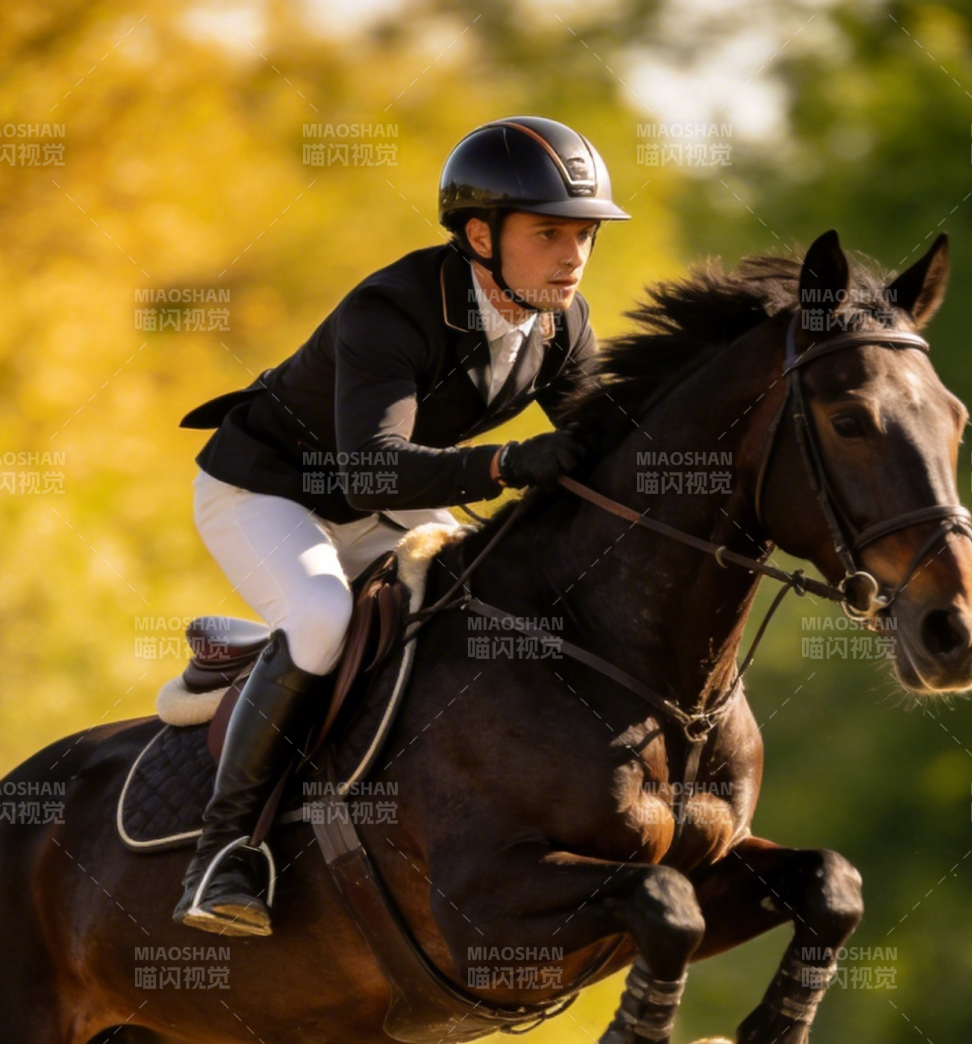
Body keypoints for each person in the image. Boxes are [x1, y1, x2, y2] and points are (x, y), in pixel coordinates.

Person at [172, 115, 629, 935]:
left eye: (585, 236)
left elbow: (602, 451)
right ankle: (223, 853)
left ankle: (258, 665)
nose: (572, 257)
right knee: (318, 616)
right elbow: (372, 466)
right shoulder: (394, 307)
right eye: (550, 232)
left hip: (381, 497)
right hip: (270, 490)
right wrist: (502, 464)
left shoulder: (563, 326)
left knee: (479, 599)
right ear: (480, 234)